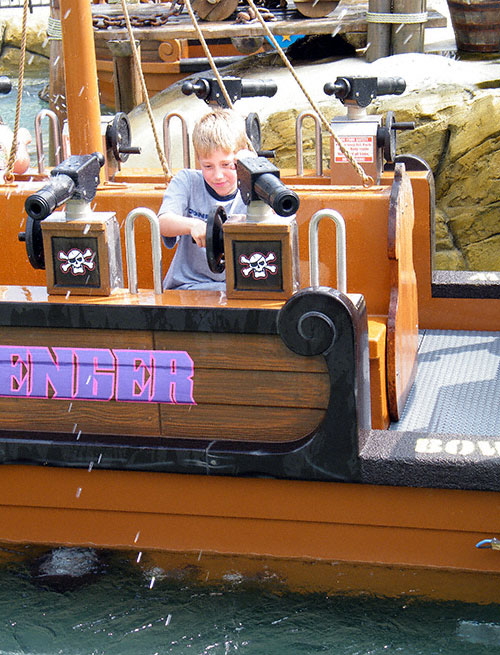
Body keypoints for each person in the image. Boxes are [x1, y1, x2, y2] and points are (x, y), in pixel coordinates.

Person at [158, 108, 253, 290]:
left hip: (239, 289)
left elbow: (281, 222)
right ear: (198, 161)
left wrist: (255, 170)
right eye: (208, 166)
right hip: (187, 287)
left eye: (227, 165)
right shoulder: (186, 181)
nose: (218, 175)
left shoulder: (256, 187)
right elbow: (162, 222)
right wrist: (192, 225)